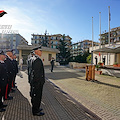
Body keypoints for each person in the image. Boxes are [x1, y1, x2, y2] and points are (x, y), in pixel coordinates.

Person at [28, 46, 45, 116]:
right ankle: (36, 111)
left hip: (33, 81)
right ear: (36, 51)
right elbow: (36, 73)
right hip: (37, 82)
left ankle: (36, 107)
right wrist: (39, 83)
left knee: (34, 95)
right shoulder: (37, 60)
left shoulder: (31, 58)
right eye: (40, 51)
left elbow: (30, 71)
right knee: (37, 96)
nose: (41, 52)